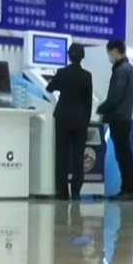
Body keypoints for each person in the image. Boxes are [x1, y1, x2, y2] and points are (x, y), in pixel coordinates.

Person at [45, 43, 93, 200]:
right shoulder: (87, 76)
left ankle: (62, 192)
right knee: (78, 156)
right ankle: (76, 191)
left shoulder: (62, 72)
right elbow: (88, 101)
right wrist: (86, 121)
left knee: (62, 155)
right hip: (80, 120)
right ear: (83, 56)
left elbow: (49, 88)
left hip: (63, 117)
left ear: (69, 55)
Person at [95, 39, 133, 199]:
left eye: (109, 53)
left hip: (119, 118)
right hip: (124, 117)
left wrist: (100, 108)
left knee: (123, 155)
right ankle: (127, 189)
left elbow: (115, 97)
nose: (109, 56)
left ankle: (129, 190)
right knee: (124, 154)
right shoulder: (128, 69)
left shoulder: (121, 70)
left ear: (114, 51)